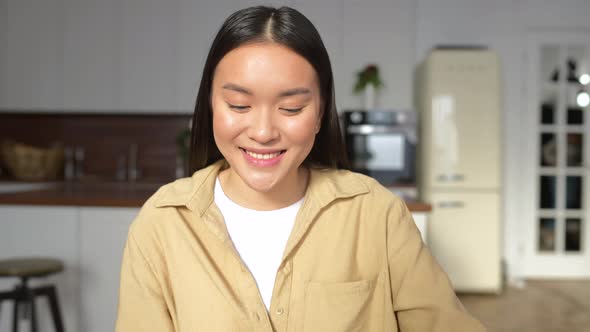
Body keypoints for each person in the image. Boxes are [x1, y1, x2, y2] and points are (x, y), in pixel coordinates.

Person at [116, 5, 486, 332]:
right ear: (211, 104)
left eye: (291, 108)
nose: (262, 132)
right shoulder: (163, 224)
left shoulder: (375, 213)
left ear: (321, 111)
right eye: (239, 105)